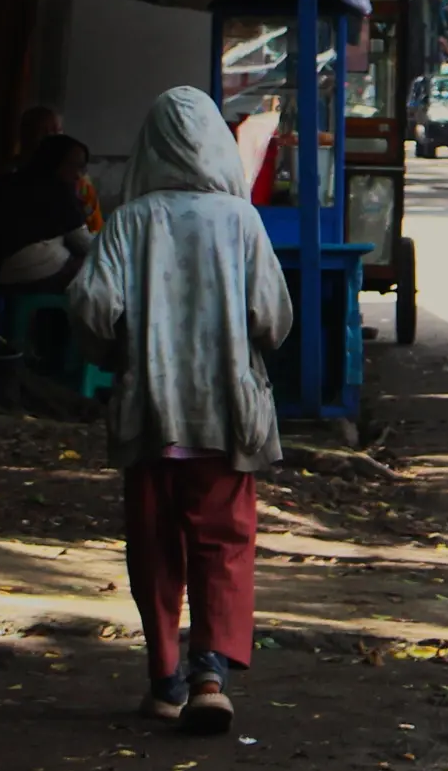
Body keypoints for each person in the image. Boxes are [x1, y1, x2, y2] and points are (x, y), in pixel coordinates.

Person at [67, 87, 293, 736]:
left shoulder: (132, 221)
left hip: (151, 416)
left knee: (155, 545)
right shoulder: (241, 222)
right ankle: (210, 676)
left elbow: (90, 307)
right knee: (222, 545)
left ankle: (164, 680)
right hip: (225, 415)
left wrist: (116, 354)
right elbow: (273, 320)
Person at [0, 134, 93, 293]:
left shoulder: (3, 181)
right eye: (72, 166)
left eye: (81, 167)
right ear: (53, 161)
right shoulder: (57, 190)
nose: (78, 175)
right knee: (98, 270)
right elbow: (85, 245)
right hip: (31, 274)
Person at [19, 106, 105, 233]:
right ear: (25, 137)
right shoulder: (7, 179)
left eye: (57, 131)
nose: (51, 138)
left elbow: (95, 229)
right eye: (43, 132)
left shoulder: (80, 184)